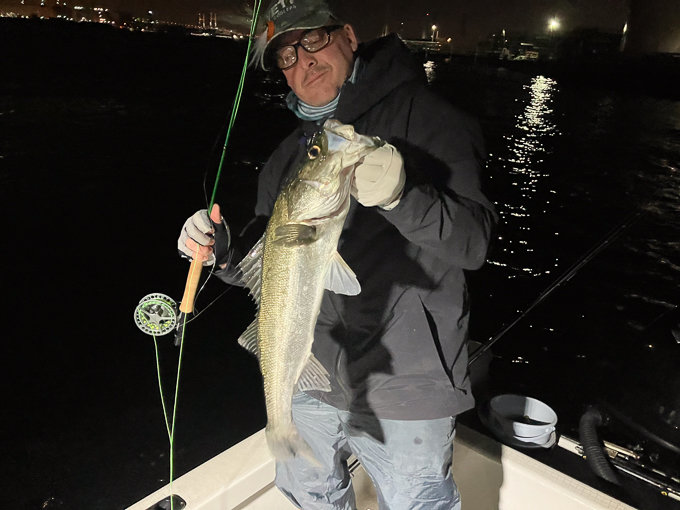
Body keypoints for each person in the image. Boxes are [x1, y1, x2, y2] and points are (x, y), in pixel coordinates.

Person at [178, 1, 497, 508]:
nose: (303, 61)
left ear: (348, 36)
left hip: (406, 383)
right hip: (308, 374)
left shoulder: (429, 116)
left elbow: (473, 243)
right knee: (310, 495)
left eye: (313, 40)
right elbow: (266, 264)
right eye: (286, 56)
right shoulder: (287, 157)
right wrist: (221, 249)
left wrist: (402, 196)